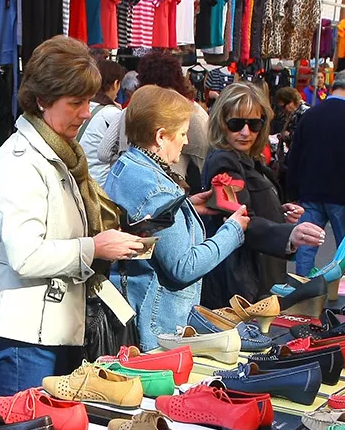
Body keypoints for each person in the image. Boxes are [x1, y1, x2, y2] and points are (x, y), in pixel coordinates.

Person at [0, 36, 143, 396]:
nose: (87, 112)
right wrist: (93, 248)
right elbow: (26, 255)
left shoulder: (61, 153)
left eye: (88, 100)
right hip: (24, 331)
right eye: (75, 102)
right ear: (42, 100)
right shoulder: (21, 162)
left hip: (49, 325)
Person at [104, 86, 248, 349]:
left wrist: (187, 207)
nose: (186, 141)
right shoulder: (157, 188)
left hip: (134, 307)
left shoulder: (127, 166)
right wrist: (233, 231)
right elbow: (183, 266)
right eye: (182, 133)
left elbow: (146, 226)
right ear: (161, 136)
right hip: (158, 324)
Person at [199, 82, 323, 307]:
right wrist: (289, 234)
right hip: (243, 281)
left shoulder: (247, 159)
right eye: (236, 123)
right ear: (222, 123)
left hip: (259, 273)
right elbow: (239, 220)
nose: (246, 132)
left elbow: (249, 210)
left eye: (254, 124)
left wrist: (279, 213)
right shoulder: (224, 162)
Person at [283, 68, 345, 275]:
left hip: (309, 191)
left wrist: (293, 192)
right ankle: (344, 287)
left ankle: (302, 286)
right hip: (342, 194)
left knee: (306, 243)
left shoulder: (310, 115)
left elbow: (295, 155)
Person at [126, 50, 210, 187]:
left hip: (132, 179)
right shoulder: (191, 113)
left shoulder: (131, 109)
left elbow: (104, 152)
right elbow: (205, 157)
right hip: (168, 187)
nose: (185, 139)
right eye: (183, 134)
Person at [80, 59, 126, 185]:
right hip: (100, 183)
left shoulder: (83, 107)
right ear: (116, 83)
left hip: (78, 178)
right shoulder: (113, 114)